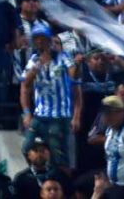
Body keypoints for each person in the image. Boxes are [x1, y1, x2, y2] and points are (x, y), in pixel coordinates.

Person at [20, 26, 82, 171]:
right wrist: (27, 112)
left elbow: (73, 76)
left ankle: (59, 181)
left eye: (43, 38)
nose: (40, 41)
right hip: (40, 115)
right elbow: (26, 84)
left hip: (59, 116)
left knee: (58, 154)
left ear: (49, 40)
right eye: (37, 39)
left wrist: (77, 64)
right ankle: (37, 174)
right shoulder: (34, 59)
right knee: (27, 146)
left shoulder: (63, 57)